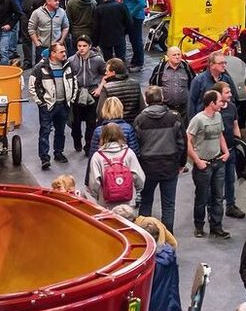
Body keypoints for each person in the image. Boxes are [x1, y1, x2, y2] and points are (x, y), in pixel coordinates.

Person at [135, 84, 184, 232]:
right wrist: (181, 163)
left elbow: (136, 144)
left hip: (147, 167)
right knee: (168, 205)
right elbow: (182, 142)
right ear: (162, 98)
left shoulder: (140, 119)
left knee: (145, 202)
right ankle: (167, 237)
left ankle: (144, 236)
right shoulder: (174, 117)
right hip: (170, 166)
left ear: (146, 99)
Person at [188, 88, 231, 239]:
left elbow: (220, 135)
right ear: (212, 103)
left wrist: (226, 152)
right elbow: (188, 141)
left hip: (218, 162)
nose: (222, 103)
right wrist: (197, 160)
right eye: (219, 101)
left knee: (218, 197)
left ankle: (216, 226)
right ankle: (199, 226)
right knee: (202, 197)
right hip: (203, 165)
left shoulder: (218, 116)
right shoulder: (198, 120)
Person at [26, 41, 76, 172]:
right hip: (48, 106)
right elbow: (32, 86)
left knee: (60, 131)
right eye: (61, 52)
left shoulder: (68, 66)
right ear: (53, 53)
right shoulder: (40, 68)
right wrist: (41, 103)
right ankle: (44, 158)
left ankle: (58, 152)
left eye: (64, 51)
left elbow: (74, 82)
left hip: (63, 105)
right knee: (45, 131)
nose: (64, 54)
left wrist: (71, 99)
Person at [88, 122, 146, 211]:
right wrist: (137, 190)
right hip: (128, 201)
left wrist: (95, 196)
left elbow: (94, 182)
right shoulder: (129, 153)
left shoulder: (97, 156)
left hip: (106, 203)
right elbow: (138, 176)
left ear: (103, 136)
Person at [66, 37, 105, 154]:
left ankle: (89, 146)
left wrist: (100, 88)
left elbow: (106, 74)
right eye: (79, 46)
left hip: (92, 93)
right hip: (77, 93)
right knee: (75, 122)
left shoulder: (98, 60)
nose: (82, 48)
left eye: (84, 46)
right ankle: (77, 142)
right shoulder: (71, 60)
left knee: (91, 122)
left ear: (89, 46)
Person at [152, 46, 195, 119]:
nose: (177, 57)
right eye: (174, 55)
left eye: (179, 54)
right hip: (165, 109)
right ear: (168, 56)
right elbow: (153, 85)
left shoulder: (187, 68)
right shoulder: (160, 69)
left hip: (184, 109)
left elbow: (193, 83)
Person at [123, 0, 147, 69]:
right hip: (134, 16)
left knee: (136, 40)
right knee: (133, 39)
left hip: (136, 17)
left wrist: (131, 14)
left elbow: (142, 3)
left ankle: (139, 63)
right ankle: (135, 60)